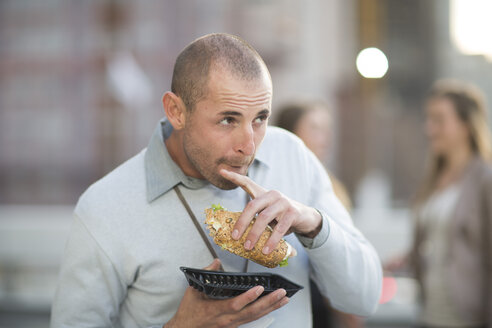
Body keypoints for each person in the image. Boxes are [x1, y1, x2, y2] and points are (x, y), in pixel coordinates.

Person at [51, 33, 382, 328]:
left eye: (260, 119)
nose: (249, 146)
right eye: (227, 119)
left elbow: (364, 298)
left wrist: (313, 224)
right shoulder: (105, 206)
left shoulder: (293, 154)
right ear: (176, 111)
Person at [386, 80, 492, 327]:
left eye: (439, 120)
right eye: (428, 119)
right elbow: (440, 241)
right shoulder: (433, 179)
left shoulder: (485, 180)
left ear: (466, 125)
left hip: (468, 317)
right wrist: (407, 258)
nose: (429, 128)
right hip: (429, 313)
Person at [276, 102, 361, 328]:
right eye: (315, 128)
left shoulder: (332, 187)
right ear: (291, 134)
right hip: (292, 297)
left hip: (329, 301)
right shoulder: (276, 187)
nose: (326, 137)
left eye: (327, 129)